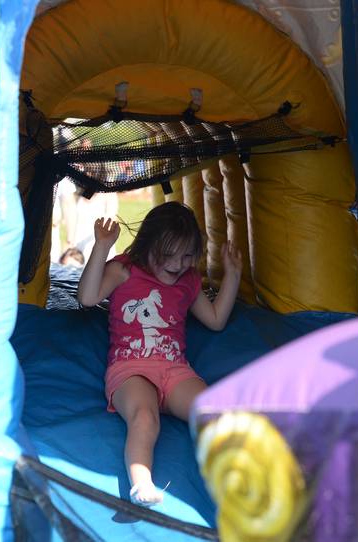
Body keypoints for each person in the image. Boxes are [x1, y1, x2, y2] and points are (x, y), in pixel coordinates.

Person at [77, 202, 242, 506]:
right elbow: (87, 298)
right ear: (148, 244)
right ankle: (141, 483)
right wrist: (101, 247)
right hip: (131, 368)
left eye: (188, 255)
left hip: (174, 370)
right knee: (144, 417)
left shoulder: (188, 280)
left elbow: (216, 320)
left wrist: (232, 275)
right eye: (169, 255)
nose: (178, 264)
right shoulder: (124, 269)